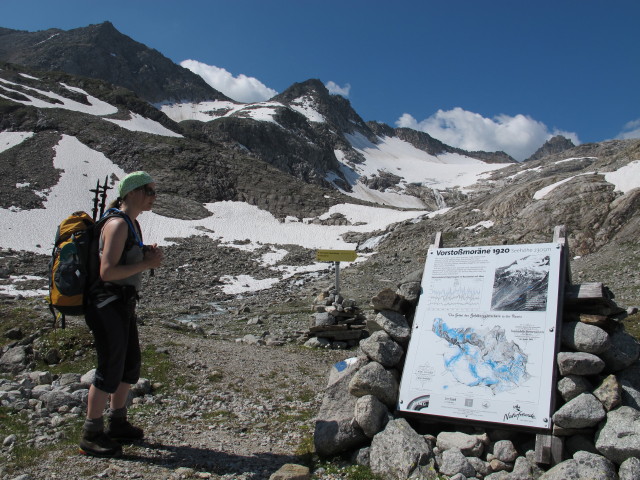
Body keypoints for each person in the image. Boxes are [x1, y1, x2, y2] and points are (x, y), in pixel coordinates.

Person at [79, 171, 163, 457]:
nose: (153, 196)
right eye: (149, 190)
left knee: (129, 365)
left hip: (122, 304)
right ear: (131, 193)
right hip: (106, 306)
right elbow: (107, 271)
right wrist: (145, 264)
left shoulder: (132, 224)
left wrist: (144, 254)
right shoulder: (116, 225)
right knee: (109, 368)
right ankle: (91, 432)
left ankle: (118, 422)